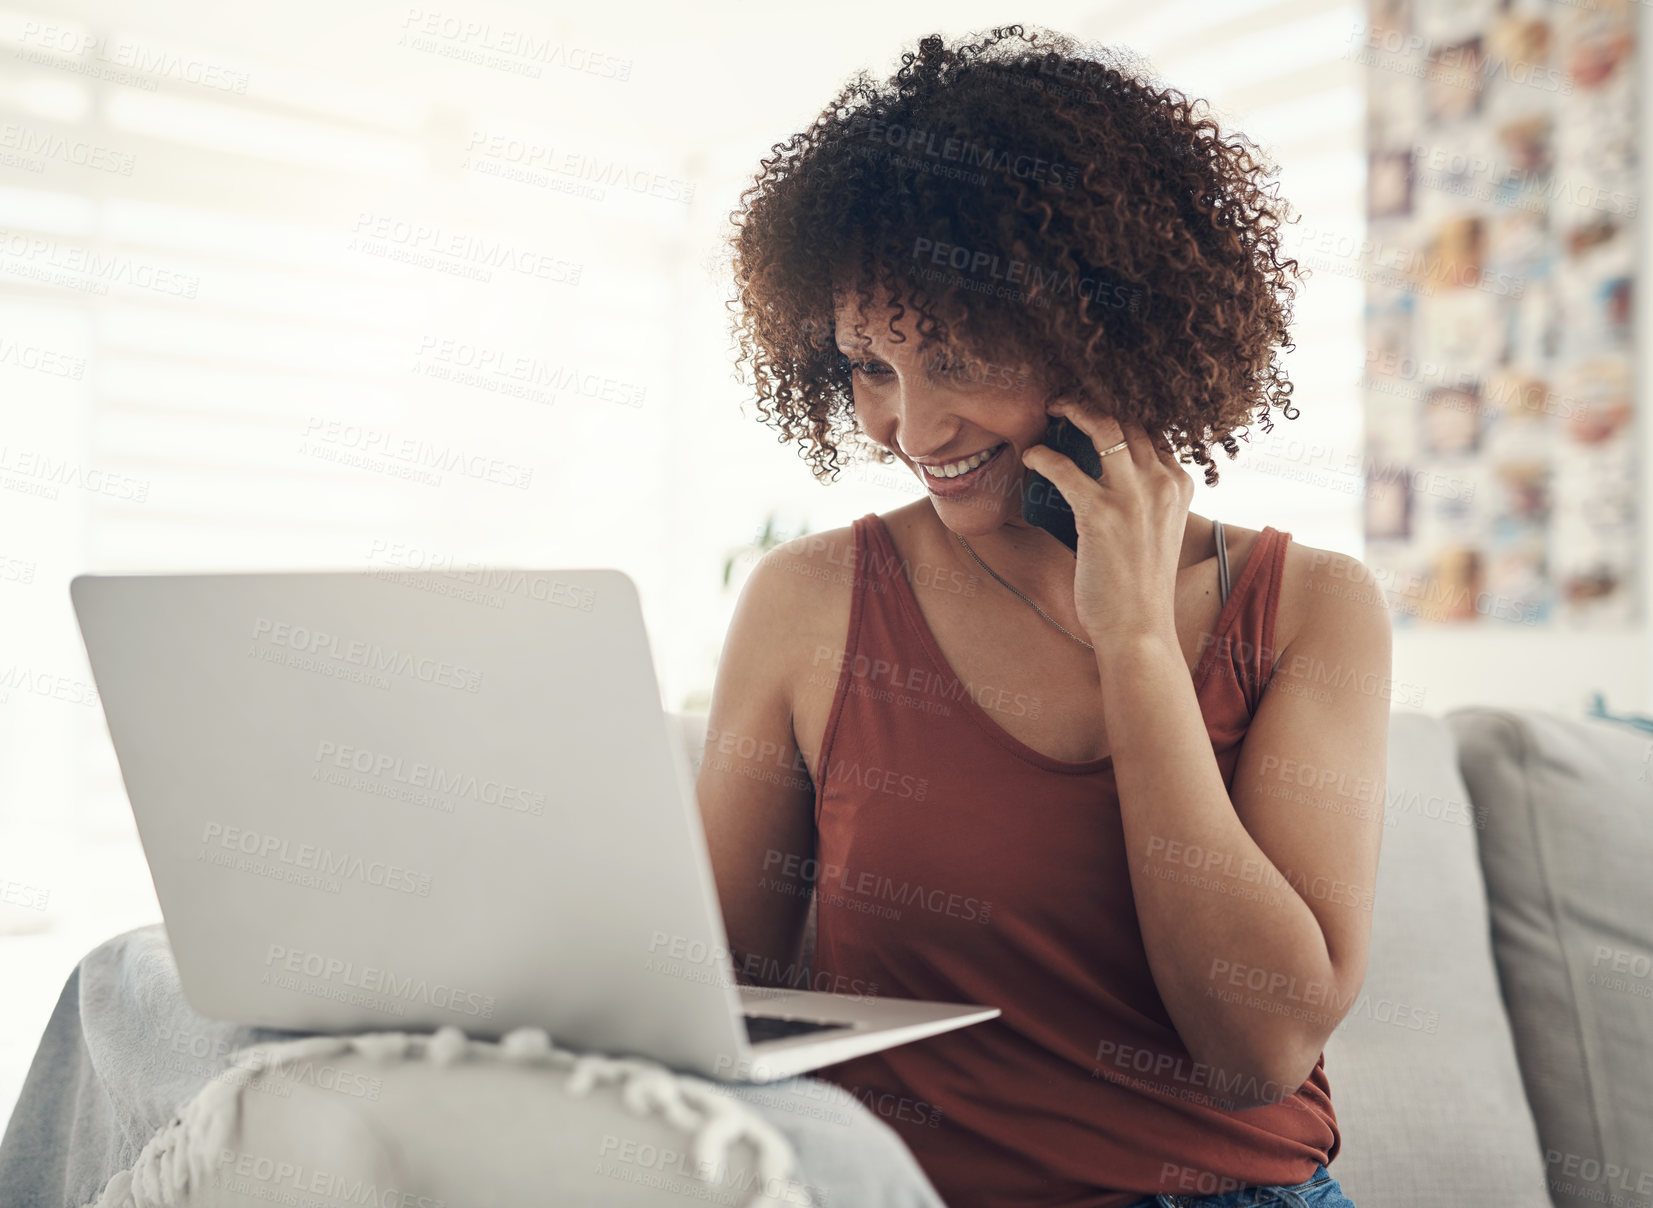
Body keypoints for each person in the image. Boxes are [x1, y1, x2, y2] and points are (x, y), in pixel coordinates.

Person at [697, 24, 1390, 1208]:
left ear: (1104, 330)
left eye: (957, 358)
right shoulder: (809, 601)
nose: (911, 431)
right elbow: (713, 1007)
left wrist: (1133, 638)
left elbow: (1257, 1051)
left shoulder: (1310, 608)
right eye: (870, 366)